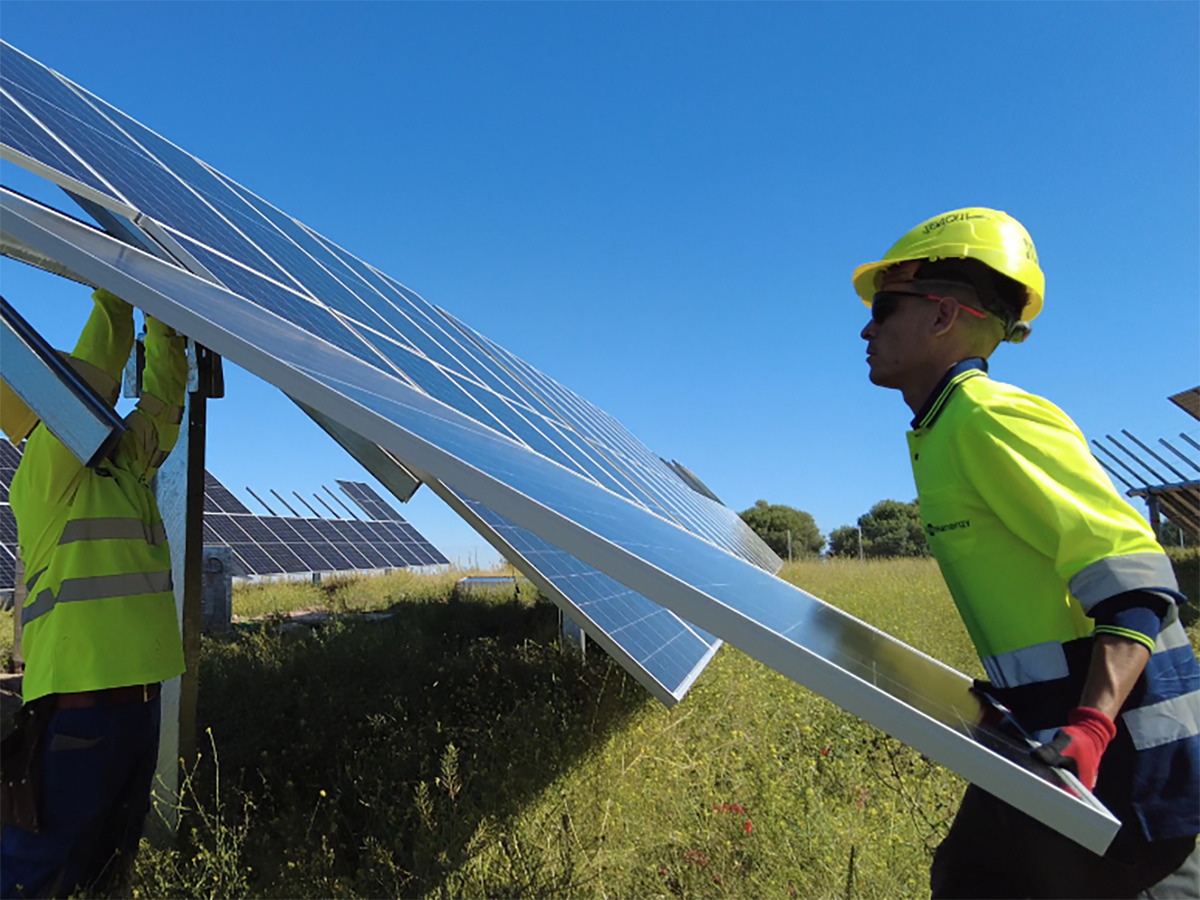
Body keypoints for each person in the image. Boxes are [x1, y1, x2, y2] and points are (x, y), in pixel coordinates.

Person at [853, 208, 1200, 898]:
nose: (867, 328)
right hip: (1038, 742)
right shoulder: (943, 428)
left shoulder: (991, 418)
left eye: (884, 308)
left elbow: (1135, 581)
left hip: (1124, 768)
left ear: (943, 316)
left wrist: (1094, 728)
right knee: (965, 877)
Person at [1, 288, 187, 898]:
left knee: (110, 867)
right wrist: (115, 290)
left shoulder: (124, 467)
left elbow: (160, 410)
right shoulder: (44, 469)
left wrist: (164, 321)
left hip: (137, 703)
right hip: (80, 709)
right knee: (42, 869)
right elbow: (96, 380)